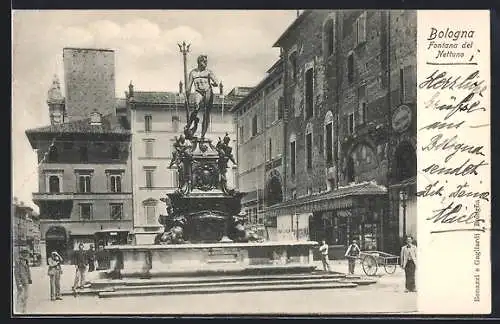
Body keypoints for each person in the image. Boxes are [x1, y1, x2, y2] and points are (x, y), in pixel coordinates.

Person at [185, 54, 221, 139]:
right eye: (204, 61)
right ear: (199, 62)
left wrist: (214, 83)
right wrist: (187, 92)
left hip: (207, 91)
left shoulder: (208, 72)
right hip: (198, 92)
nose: (206, 63)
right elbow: (189, 85)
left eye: (206, 61)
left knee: (206, 112)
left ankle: (203, 133)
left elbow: (216, 81)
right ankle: (189, 124)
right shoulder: (193, 72)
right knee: (196, 107)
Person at [14, 248, 32, 313]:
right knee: (20, 296)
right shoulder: (18, 262)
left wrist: (29, 279)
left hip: (26, 281)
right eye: (24, 253)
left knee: (26, 296)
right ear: (21, 254)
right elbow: (16, 274)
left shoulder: (26, 261)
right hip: (21, 282)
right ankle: (18, 311)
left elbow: (28, 271)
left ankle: (24, 310)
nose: (26, 254)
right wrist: (19, 283)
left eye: (26, 253)